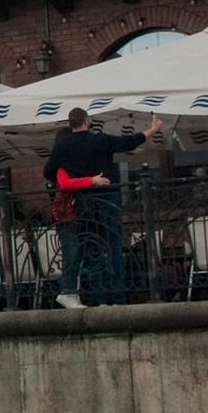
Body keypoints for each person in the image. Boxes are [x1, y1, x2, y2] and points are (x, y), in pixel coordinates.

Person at [44, 110, 164, 307]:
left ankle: (102, 299)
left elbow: (48, 172)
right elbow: (129, 142)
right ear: (86, 121)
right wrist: (153, 129)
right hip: (109, 198)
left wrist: (73, 172)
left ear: (70, 123)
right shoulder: (100, 140)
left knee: (95, 249)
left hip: (84, 202)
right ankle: (117, 298)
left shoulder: (62, 146)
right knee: (114, 248)